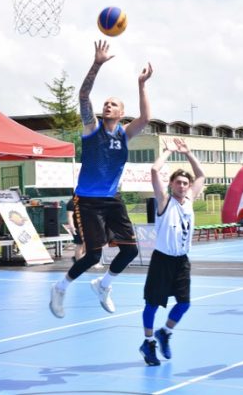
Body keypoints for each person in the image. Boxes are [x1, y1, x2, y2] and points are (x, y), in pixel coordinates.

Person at [49, 40, 153, 318]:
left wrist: (141, 84)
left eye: (113, 104)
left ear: (120, 113)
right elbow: (83, 96)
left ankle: (104, 284)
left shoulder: (124, 134)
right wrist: (97, 63)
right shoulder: (92, 128)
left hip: (112, 199)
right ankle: (60, 287)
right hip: (88, 202)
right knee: (93, 255)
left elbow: (145, 117)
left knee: (130, 251)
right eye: (106, 103)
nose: (107, 106)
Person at [139, 138, 205, 366]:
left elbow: (201, 176)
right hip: (162, 260)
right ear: (171, 185)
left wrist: (188, 153)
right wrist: (167, 151)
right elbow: (154, 170)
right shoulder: (164, 201)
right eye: (178, 182)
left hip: (181, 261)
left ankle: (165, 333)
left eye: (185, 183)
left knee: (184, 303)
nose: (183, 186)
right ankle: (148, 343)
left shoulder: (189, 200)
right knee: (152, 304)